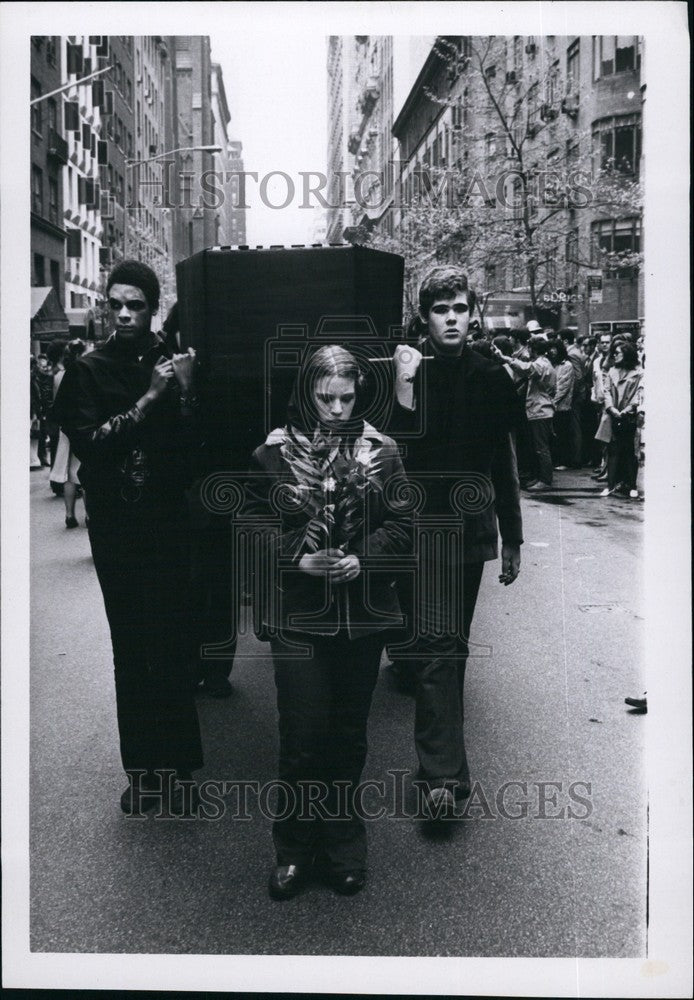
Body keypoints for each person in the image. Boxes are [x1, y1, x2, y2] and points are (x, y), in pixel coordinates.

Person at [242, 345, 411, 898]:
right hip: (298, 618)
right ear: (308, 394)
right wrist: (297, 556)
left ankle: (343, 845)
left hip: (360, 619)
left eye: (346, 397)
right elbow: (250, 531)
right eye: (325, 398)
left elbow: (405, 527)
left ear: (359, 391)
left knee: (347, 738)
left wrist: (367, 557)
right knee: (302, 738)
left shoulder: (384, 452)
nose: (337, 409)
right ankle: (292, 849)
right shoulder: (273, 453)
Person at [53, 260, 204, 815]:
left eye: (135, 304)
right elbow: (92, 445)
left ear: (151, 306)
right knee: (131, 645)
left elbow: (195, 448)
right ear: (103, 305)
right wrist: (150, 398)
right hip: (118, 526)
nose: (123, 314)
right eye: (115, 303)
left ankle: (182, 768)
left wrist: (184, 394)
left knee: (173, 644)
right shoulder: (87, 370)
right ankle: (142, 770)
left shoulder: (173, 360)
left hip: (167, 522)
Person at [390, 265, 522, 819]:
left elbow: (502, 459)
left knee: (447, 647)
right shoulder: (406, 369)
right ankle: (443, 777)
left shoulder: (491, 375)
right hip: (416, 530)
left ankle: (442, 772)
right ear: (426, 316)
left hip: (467, 533)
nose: (452, 318)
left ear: (473, 314)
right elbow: (390, 453)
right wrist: (401, 385)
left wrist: (512, 536)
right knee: (438, 648)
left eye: (460, 309)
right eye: (441, 310)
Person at [501, 334, 556, 491]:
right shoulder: (544, 363)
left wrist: (506, 358)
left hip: (540, 409)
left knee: (541, 447)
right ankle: (540, 477)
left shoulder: (540, 364)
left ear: (533, 349)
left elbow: (526, 369)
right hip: (540, 409)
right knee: (538, 447)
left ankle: (545, 480)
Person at [49, 339, 87, 527]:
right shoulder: (87, 372)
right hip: (84, 425)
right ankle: (89, 515)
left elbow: (57, 403)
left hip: (66, 427)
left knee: (68, 473)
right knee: (85, 469)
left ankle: (69, 514)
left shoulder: (59, 376)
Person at [600, 341, 643, 499]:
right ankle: (610, 485)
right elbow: (606, 392)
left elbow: (639, 395)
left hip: (629, 417)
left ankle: (632, 485)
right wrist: (611, 408)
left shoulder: (638, 373)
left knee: (630, 452)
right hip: (613, 415)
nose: (614, 355)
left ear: (627, 354)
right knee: (613, 450)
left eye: (618, 352)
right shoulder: (612, 371)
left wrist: (626, 411)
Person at [547, 339, 575, 471]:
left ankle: (565, 461)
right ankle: (557, 460)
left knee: (563, 434)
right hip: (551, 405)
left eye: (555, 348)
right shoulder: (552, 364)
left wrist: (553, 401)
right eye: (550, 348)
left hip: (562, 406)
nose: (552, 351)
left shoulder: (567, 365)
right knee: (555, 435)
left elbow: (562, 387)